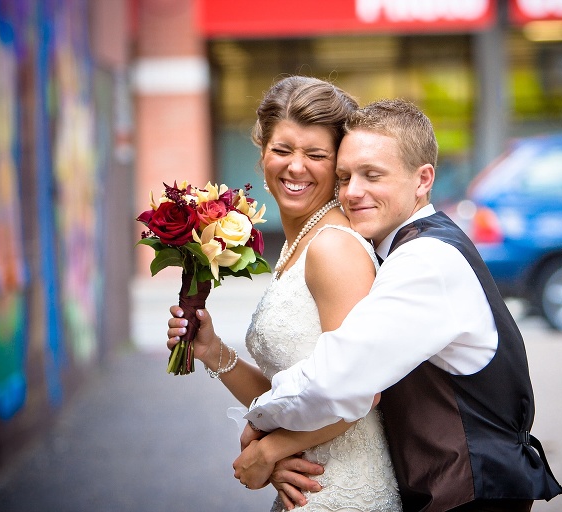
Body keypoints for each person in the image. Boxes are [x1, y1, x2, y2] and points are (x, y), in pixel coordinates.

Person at [239, 99, 562, 512]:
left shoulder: (425, 260)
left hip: (471, 492)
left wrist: (258, 425)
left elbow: (339, 377)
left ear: (422, 179)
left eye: (372, 175)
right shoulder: (403, 247)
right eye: (344, 177)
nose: (353, 192)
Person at [166, 77, 402, 511]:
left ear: (338, 165)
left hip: (345, 493)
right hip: (308, 488)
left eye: (316, 155)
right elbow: (291, 391)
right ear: (262, 155)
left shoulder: (333, 247)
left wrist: (267, 452)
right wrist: (212, 350)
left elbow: (361, 392)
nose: (296, 167)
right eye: (282, 150)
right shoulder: (301, 245)